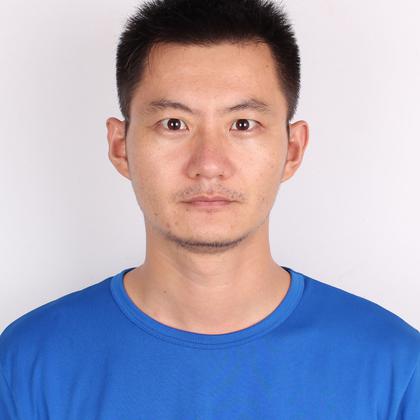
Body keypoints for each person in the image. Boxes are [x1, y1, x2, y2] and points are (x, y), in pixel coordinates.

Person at [1, 0, 419, 418]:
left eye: (242, 124)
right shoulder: (26, 365)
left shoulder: (396, 369)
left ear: (292, 150)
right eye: (174, 124)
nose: (208, 164)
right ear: (120, 146)